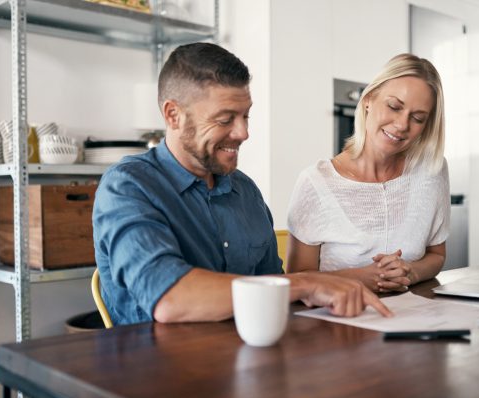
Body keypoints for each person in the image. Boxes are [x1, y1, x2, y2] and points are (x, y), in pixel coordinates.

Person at [92, 42, 392, 325]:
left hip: (246, 359)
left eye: (246, 116)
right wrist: (306, 282)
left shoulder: (245, 191)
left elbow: (275, 292)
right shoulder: (129, 187)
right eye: (225, 120)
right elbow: (170, 299)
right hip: (155, 372)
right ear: (174, 115)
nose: (243, 132)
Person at [287, 53, 450, 293]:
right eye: (394, 106)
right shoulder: (315, 182)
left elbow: (437, 254)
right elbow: (297, 279)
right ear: (368, 100)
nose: (402, 125)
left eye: (417, 118)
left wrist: (410, 271)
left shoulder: (432, 172)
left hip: (411, 318)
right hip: (336, 324)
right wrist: (362, 277)